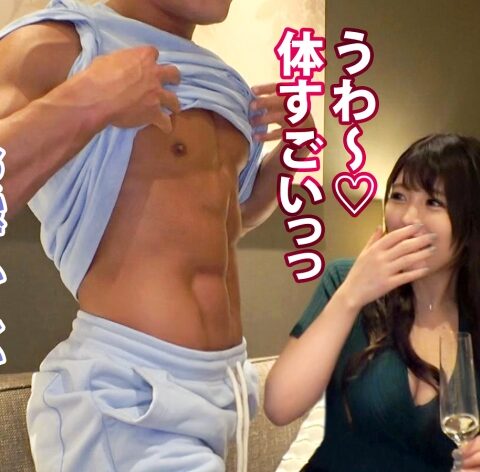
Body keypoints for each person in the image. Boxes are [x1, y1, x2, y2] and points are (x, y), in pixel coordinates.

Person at [0, 0, 313, 470]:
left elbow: (230, 220)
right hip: (125, 400)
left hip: (221, 392)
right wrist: (88, 100)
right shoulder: (56, 43)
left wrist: (293, 153)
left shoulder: (226, 83)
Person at [265, 134, 480, 472]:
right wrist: (352, 295)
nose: (408, 218)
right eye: (399, 196)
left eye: (433, 202)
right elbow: (279, 406)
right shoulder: (345, 280)